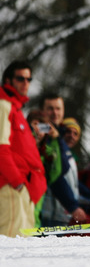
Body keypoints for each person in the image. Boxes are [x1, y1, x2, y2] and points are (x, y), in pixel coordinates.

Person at [0, 60, 46, 237]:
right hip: (11, 187)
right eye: (20, 78)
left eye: (29, 79)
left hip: (23, 188)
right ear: (8, 81)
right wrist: (17, 181)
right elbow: (1, 148)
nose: (25, 83)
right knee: (11, 245)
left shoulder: (15, 109)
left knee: (23, 247)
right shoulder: (3, 105)